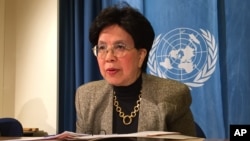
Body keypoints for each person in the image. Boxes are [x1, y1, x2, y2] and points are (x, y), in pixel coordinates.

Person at [75, 4, 196, 137]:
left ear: (141, 55)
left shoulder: (172, 96)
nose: (109, 57)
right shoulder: (87, 97)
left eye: (120, 47)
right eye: (102, 48)